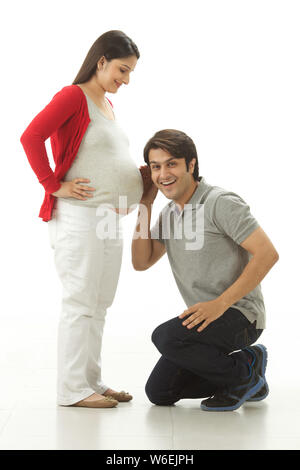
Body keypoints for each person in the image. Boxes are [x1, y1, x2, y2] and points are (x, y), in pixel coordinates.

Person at [20, 30, 144, 408]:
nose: (125, 80)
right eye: (122, 70)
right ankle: (72, 390)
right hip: (80, 216)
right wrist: (52, 185)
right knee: (80, 302)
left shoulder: (106, 104)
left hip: (108, 218)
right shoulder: (73, 96)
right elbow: (31, 136)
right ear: (101, 61)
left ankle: (92, 380)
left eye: (130, 74)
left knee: (100, 303)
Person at [132, 129, 279, 411]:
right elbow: (142, 262)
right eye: (156, 166)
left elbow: (267, 254)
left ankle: (242, 377)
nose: (163, 174)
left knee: (165, 336)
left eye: (171, 163)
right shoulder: (169, 214)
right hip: (205, 320)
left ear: (191, 164)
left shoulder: (219, 202)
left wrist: (220, 304)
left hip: (240, 314)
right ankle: (248, 367)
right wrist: (146, 203)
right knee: (160, 392)